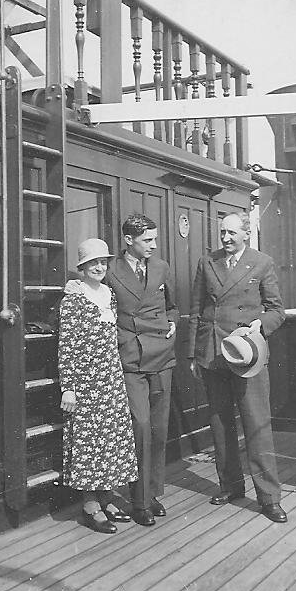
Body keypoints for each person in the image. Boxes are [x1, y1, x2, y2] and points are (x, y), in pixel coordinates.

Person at [188, 211, 288, 523]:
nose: (226, 239)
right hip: (213, 352)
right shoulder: (208, 262)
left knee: (256, 425)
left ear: (247, 234)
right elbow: (196, 310)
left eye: (232, 233)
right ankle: (230, 486)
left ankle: (269, 497)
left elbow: (277, 311)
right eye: (223, 233)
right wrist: (194, 354)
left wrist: (260, 325)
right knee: (220, 422)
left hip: (247, 355)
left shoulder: (262, 262)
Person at [59, 238, 138, 534]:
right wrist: (68, 386)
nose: (98, 267)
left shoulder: (109, 294)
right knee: (88, 441)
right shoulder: (74, 299)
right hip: (84, 380)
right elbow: (66, 346)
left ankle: (106, 497)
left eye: (102, 262)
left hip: (110, 377)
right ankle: (90, 503)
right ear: (81, 267)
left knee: (110, 439)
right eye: (92, 263)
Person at [105, 214, 179, 527]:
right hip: (131, 358)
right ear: (128, 240)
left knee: (159, 428)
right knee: (140, 424)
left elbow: (172, 305)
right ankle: (139, 501)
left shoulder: (160, 267)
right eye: (147, 240)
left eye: (154, 239)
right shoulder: (110, 271)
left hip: (161, 355)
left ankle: (152, 493)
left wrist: (173, 321)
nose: (153, 245)